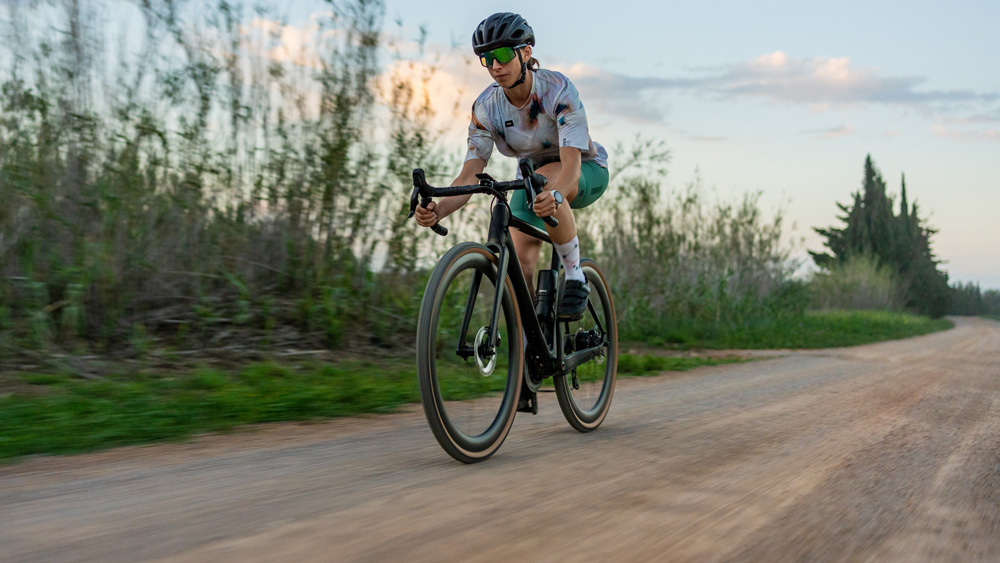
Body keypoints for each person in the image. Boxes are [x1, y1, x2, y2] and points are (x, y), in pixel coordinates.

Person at [415, 11, 609, 321]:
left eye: (503, 54)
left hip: (585, 170)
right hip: (531, 182)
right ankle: (530, 356)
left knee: (545, 183)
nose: (495, 65)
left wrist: (557, 195)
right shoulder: (485, 108)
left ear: (526, 52)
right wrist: (439, 208)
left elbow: (570, 164)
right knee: (519, 267)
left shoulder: (557, 89)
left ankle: (574, 276)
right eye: (487, 58)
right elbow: (470, 174)